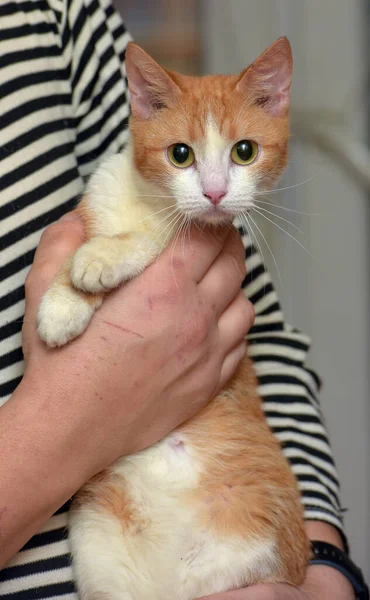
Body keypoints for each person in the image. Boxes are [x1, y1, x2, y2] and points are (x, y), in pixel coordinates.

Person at [0, 1, 361, 599]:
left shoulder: (54, 11)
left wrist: (324, 568)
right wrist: (64, 417)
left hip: (229, 517)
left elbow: (259, 332)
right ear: (144, 107)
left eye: (244, 154)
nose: (217, 191)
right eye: (185, 157)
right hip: (119, 523)